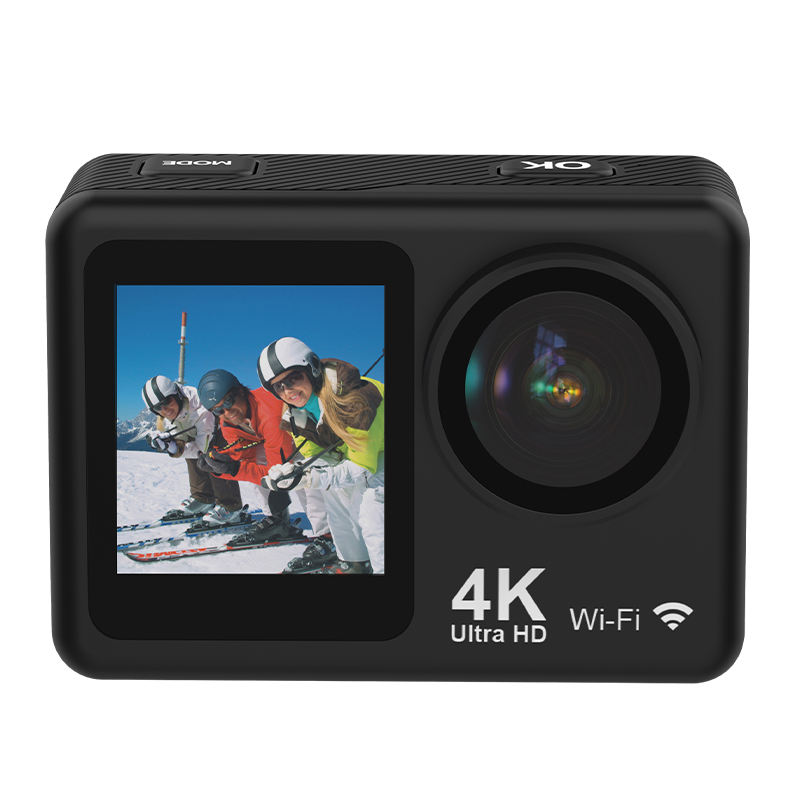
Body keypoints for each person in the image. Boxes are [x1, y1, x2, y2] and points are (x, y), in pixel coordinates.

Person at [257, 337, 385, 574]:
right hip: (361, 457)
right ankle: (354, 563)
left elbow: (362, 467)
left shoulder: (357, 398)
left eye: (293, 378)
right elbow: (320, 458)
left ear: (312, 368)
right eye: (278, 386)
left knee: (372, 503)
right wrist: (296, 472)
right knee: (333, 490)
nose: (287, 391)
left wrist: (310, 478)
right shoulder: (296, 416)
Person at [194, 368, 330, 544]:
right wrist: (220, 467)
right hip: (278, 444)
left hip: (307, 441)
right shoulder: (228, 424)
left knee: (301, 473)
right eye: (218, 410)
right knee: (258, 461)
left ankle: (327, 534)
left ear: (240, 391)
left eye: (228, 402)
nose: (227, 412)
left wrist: (234, 469)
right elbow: (246, 459)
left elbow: (278, 473)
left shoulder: (268, 412)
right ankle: (276, 519)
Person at [141, 375, 244, 525]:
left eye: (167, 402)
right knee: (191, 445)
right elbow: (187, 445)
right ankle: (203, 498)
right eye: (158, 408)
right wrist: (172, 446)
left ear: (177, 395)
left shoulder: (199, 407)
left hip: (221, 434)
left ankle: (230, 506)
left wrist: (178, 448)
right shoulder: (170, 415)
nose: (165, 410)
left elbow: (202, 449)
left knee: (213, 457)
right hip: (201, 436)